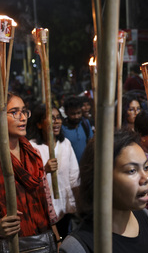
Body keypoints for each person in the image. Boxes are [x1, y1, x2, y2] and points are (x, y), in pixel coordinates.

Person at [59, 130, 148, 252]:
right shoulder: (77, 247)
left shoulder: (146, 219)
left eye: (145, 168)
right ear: (101, 179)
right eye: (132, 170)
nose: (146, 178)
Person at [0, 92, 60, 251]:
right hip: (11, 242)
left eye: (24, 111)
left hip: (42, 239)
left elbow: (46, 200)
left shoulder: (33, 154)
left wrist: (57, 236)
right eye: (14, 112)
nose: (23, 117)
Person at [27, 104, 80, 239]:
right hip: (44, 209)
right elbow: (28, 181)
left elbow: (74, 177)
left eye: (58, 117)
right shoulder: (32, 148)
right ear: (39, 124)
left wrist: (79, 203)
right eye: (51, 118)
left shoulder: (65, 144)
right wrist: (44, 170)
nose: (56, 121)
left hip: (65, 206)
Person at [62, 96, 94, 163]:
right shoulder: (62, 128)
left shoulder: (85, 123)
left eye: (78, 113)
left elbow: (91, 142)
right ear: (66, 112)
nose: (76, 116)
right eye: (73, 114)